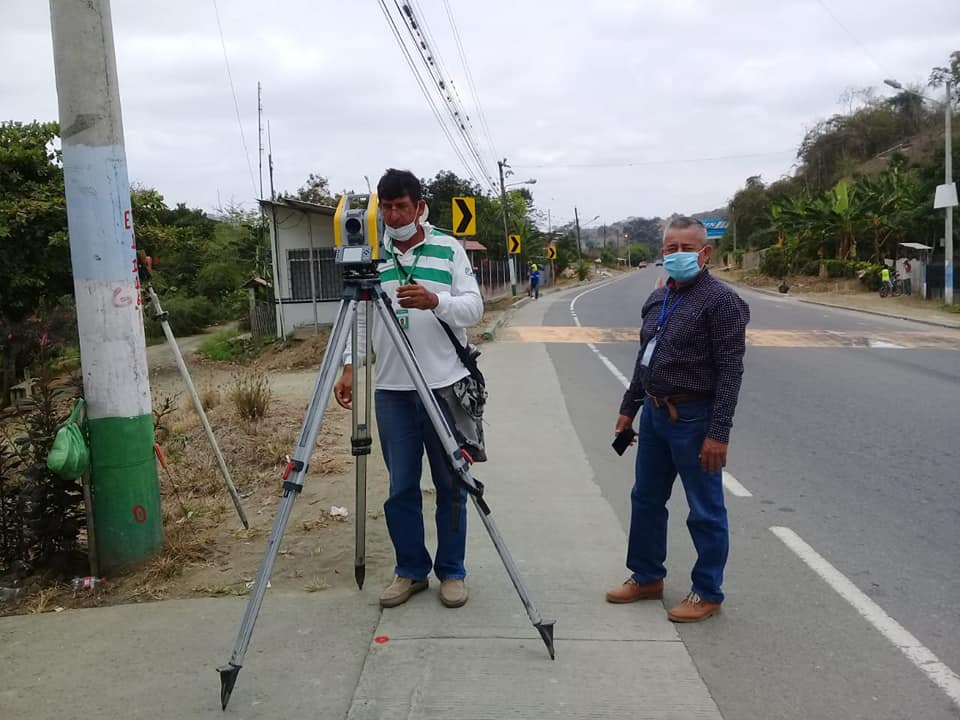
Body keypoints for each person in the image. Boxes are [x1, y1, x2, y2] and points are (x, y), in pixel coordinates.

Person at [333, 169, 484, 610]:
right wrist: (349, 366)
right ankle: (411, 570)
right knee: (401, 488)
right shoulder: (371, 256)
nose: (394, 215)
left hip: (444, 387)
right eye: (387, 207)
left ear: (419, 207)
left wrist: (436, 301)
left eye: (402, 206)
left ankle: (452, 572)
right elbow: (360, 317)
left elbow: (474, 308)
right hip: (392, 391)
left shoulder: (448, 248)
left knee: (451, 484)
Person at [606, 216, 750, 623]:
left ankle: (707, 591)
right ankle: (647, 576)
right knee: (646, 498)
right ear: (662, 252)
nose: (678, 255)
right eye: (672, 248)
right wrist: (629, 408)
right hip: (655, 414)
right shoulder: (658, 298)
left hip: (694, 419)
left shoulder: (722, 302)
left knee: (705, 509)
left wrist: (718, 433)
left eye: (688, 248)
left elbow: (730, 372)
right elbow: (645, 359)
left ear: (706, 253)